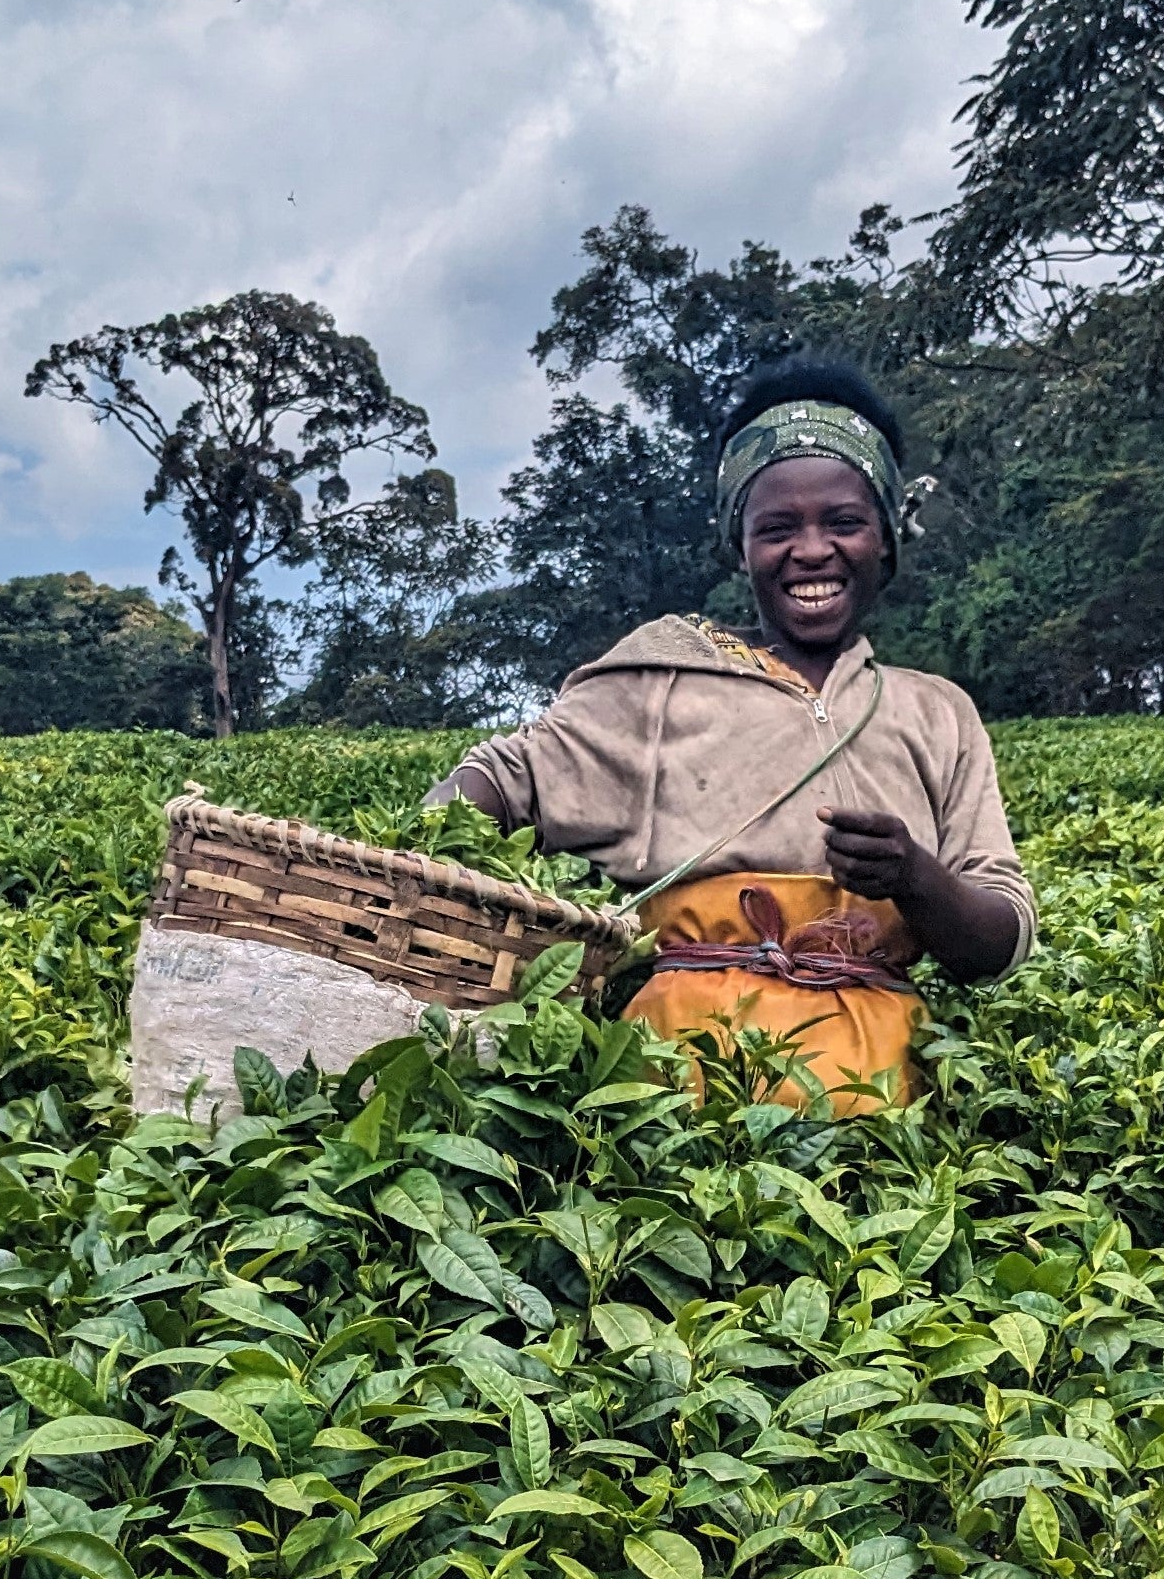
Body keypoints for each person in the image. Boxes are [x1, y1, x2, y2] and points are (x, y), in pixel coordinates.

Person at [438, 359, 1034, 1113]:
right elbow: (505, 777)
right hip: (681, 1101)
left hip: (890, 1113)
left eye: (843, 522)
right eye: (777, 528)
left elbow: (999, 938)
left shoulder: (935, 712)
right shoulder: (662, 680)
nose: (811, 550)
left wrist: (914, 876)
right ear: (738, 544)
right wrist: (408, 869)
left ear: (884, 537)